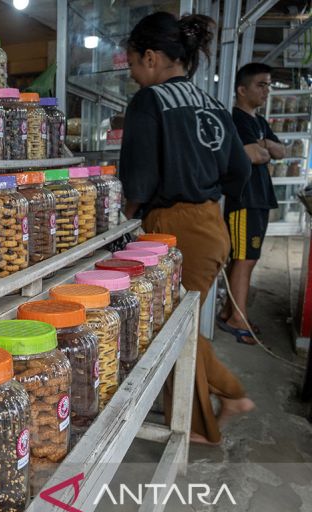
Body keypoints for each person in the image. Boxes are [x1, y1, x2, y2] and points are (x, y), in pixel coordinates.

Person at [120, 12, 255, 445]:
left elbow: (138, 183)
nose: (135, 76)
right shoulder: (213, 103)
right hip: (210, 222)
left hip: (172, 227)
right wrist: (205, 191)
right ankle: (224, 399)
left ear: (152, 57)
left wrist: (122, 219)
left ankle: (204, 421)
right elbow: (239, 172)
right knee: (177, 323)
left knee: (170, 329)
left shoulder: (150, 101)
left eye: (134, 66)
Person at [218, 63, 284, 344]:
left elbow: (279, 151)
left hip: (260, 198)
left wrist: (264, 145)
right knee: (245, 259)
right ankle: (237, 319)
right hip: (244, 199)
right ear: (241, 90)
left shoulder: (258, 121)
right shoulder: (235, 118)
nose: (266, 90)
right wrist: (263, 146)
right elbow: (255, 155)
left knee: (246, 259)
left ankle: (230, 311)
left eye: (268, 85)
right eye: (261, 84)